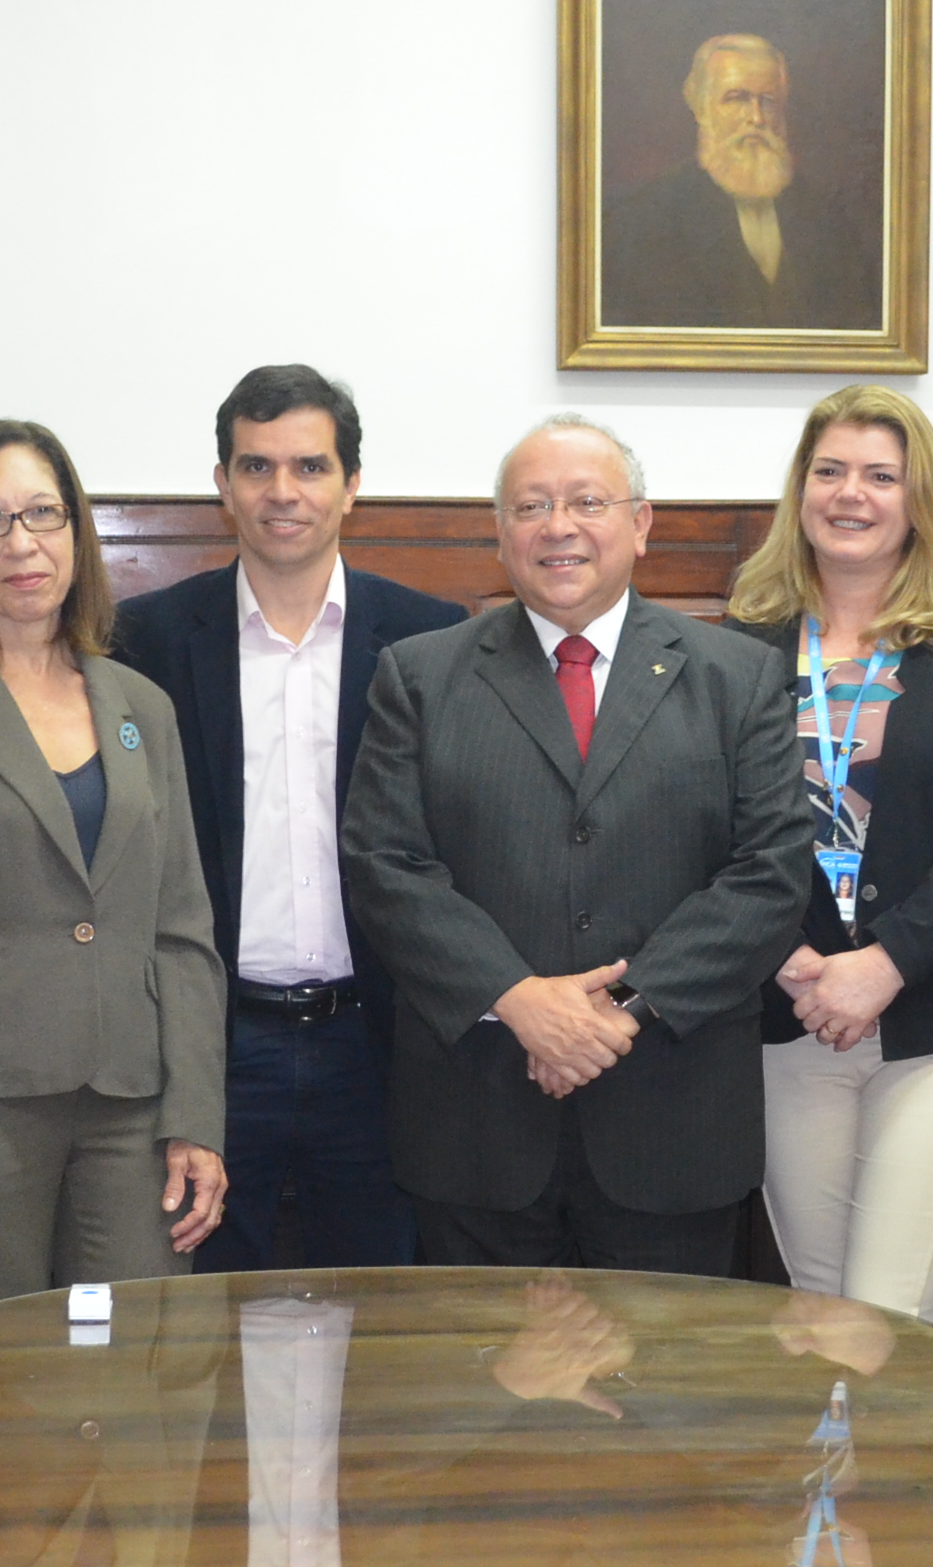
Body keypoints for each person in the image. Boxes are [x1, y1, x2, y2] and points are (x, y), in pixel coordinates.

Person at [342, 417, 816, 1270]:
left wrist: (615, 1012)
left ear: (640, 524)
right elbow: (386, 866)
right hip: (477, 1123)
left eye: (587, 502)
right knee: (486, 1359)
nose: (558, 526)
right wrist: (520, 1000)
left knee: (667, 1359)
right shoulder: (419, 675)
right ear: (501, 534)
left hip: (672, 1120)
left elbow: (769, 873)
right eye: (531, 506)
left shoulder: (736, 676)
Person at [0, 420, 229, 1304]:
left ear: (76, 533)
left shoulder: (143, 707)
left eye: (42, 514)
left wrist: (196, 1118)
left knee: (138, 1363)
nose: (21, 543)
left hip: (138, 1108)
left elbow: (183, 931)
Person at [110, 366, 462, 1271]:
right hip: (214, 1046)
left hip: (379, 1042)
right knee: (201, 1321)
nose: (282, 491)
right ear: (223, 485)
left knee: (384, 1320)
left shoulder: (431, 639)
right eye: (256, 466)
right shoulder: (144, 642)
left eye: (310, 466)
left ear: (352, 484)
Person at [723, 385, 933, 1324]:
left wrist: (887, 963)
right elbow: (707, 824)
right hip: (793, 1013)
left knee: (891, 1322)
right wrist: (782, 954)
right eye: (829, 471)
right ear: (801, 489)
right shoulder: (743, 646)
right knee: (821, 1313)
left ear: (918, 499)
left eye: (880, 475)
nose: (850, 494)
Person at [599, 34, 878, 332]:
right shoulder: (641, 222)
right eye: (736, 98)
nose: (756, 118)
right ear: (700, 106)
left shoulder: (826, 221)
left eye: (768, 101)